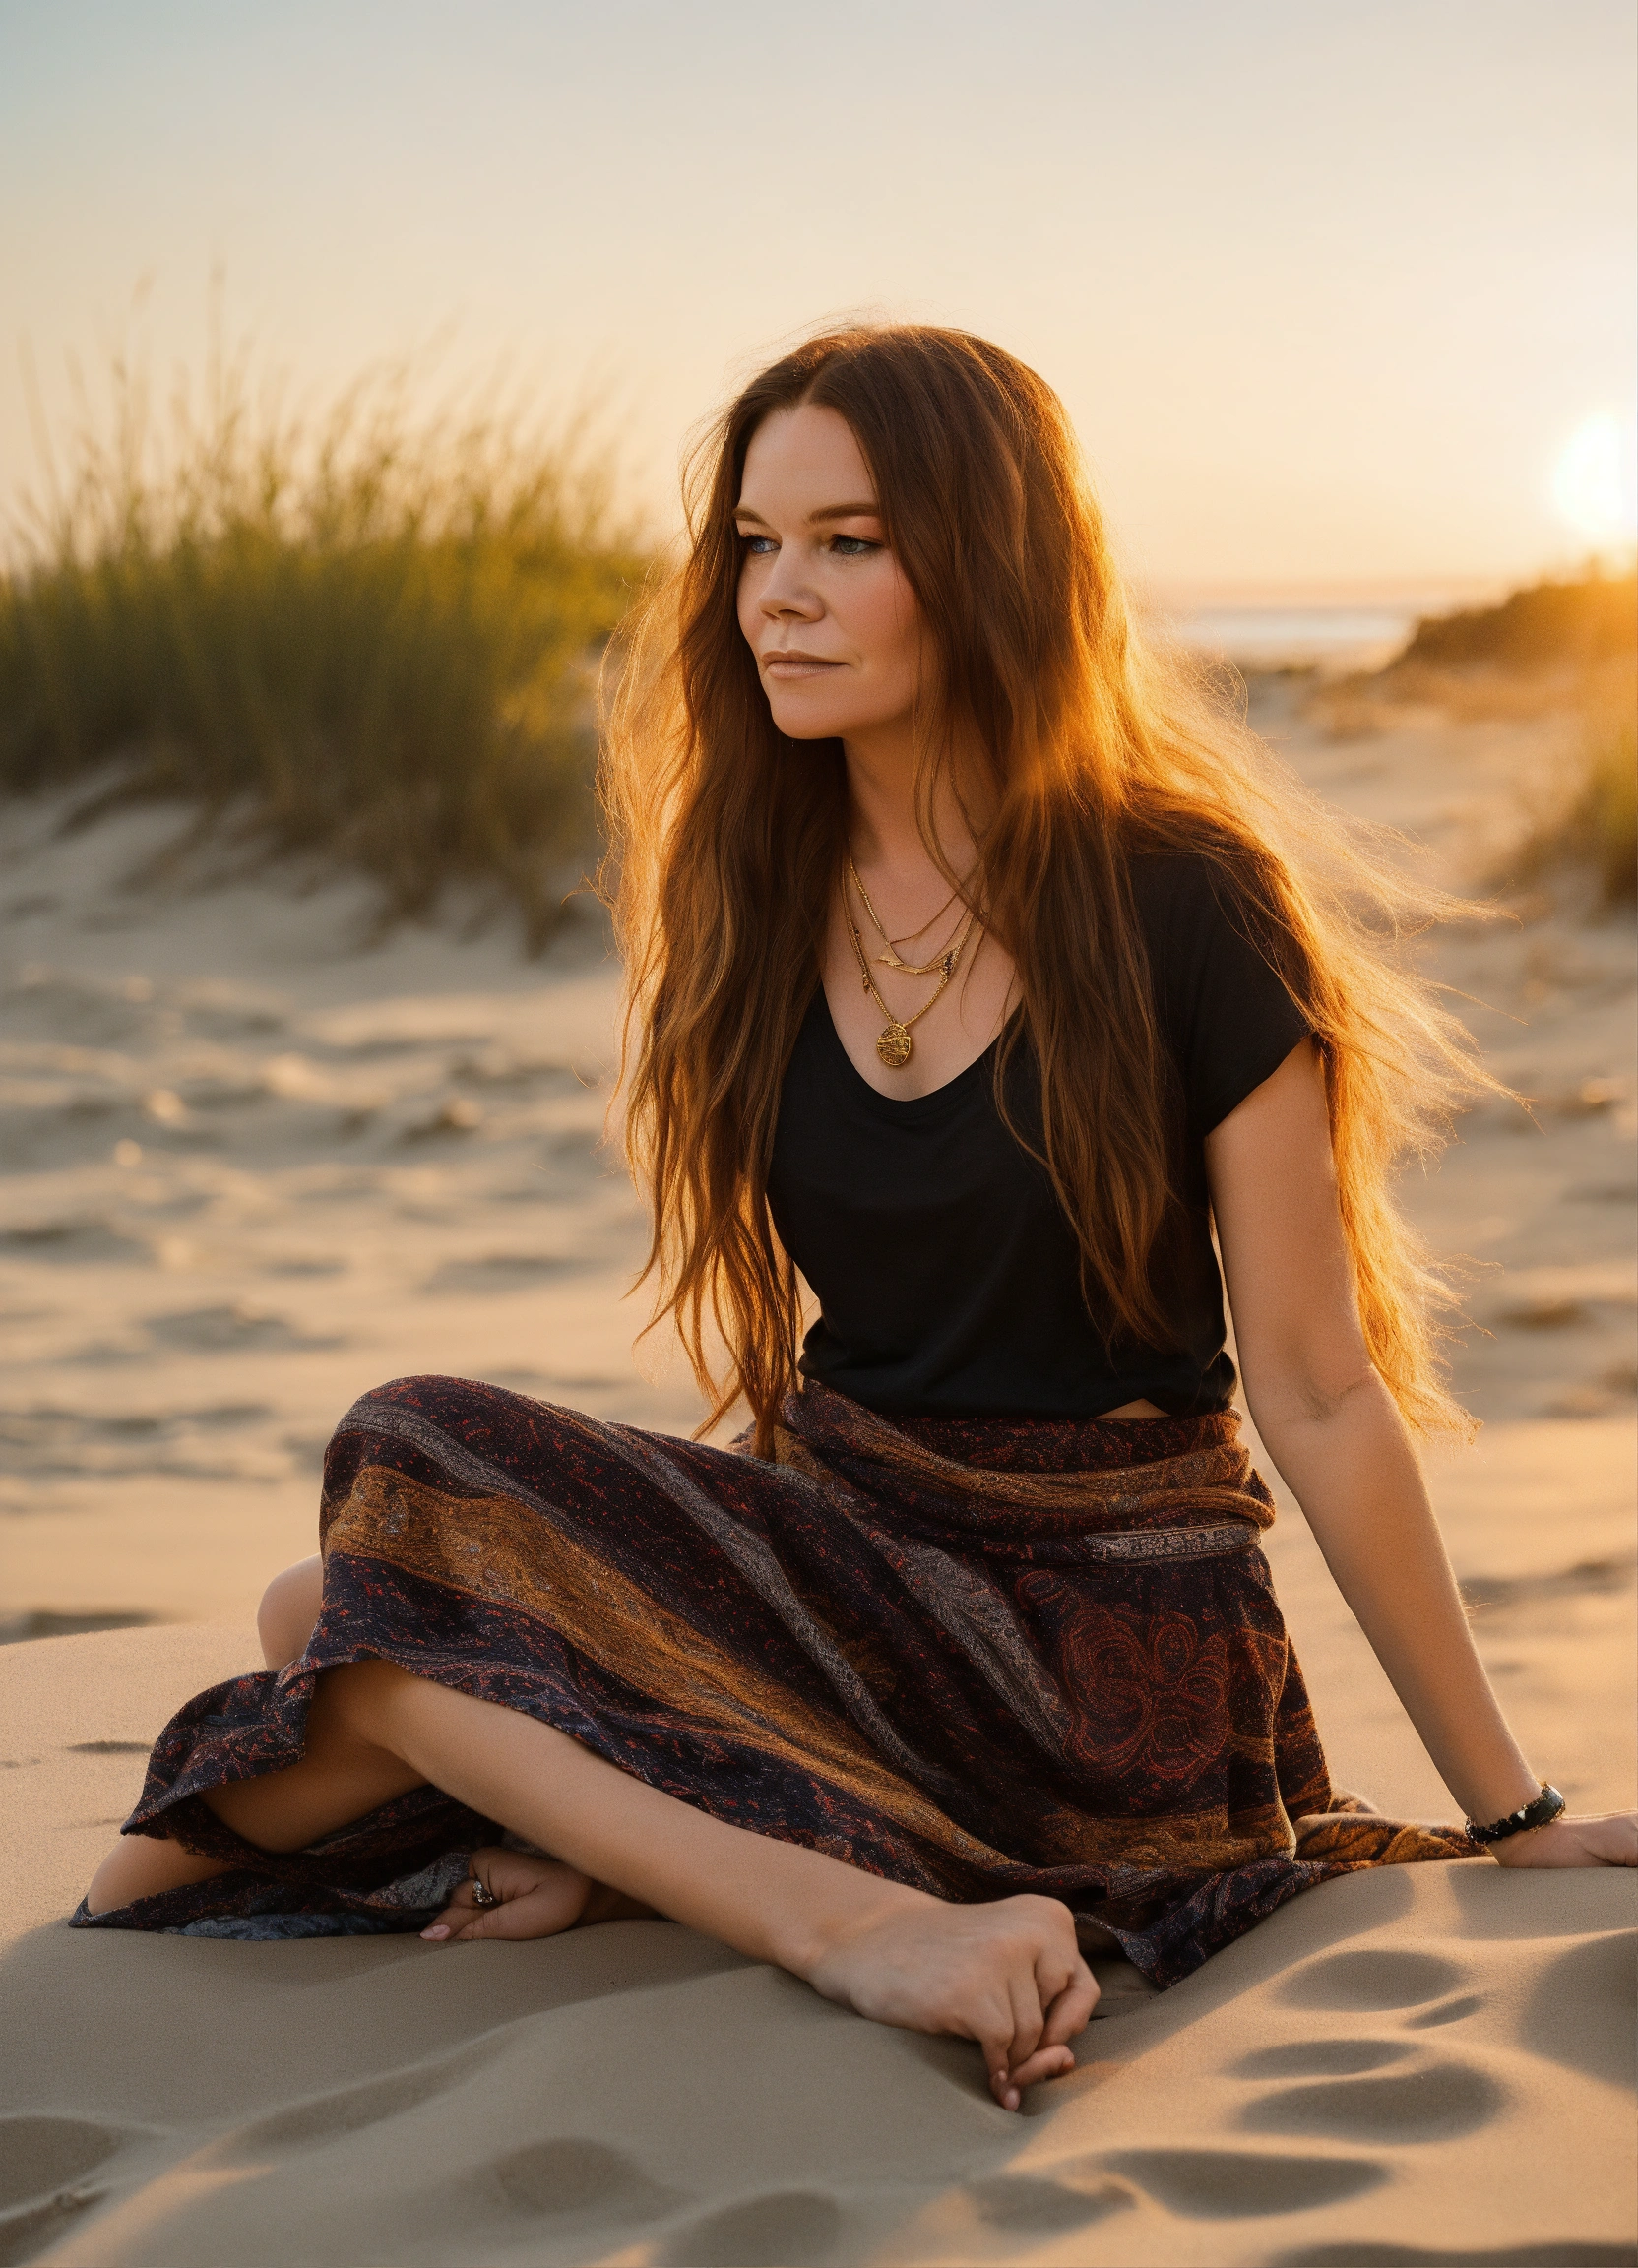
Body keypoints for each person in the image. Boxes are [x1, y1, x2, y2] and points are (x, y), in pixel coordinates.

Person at [80, 326, 1636, 2114]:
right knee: (327, 1605)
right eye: (754, 542)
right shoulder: (760, 888)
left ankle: (834, 1918)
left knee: (395, 1501)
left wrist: (1511, 1819)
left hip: (1099, 1659)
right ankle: (669, 1834)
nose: (778, 599)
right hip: (867, 1562)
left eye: (849, 541)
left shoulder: (1187, 899)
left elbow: (1321, 1388)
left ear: (986, 565)